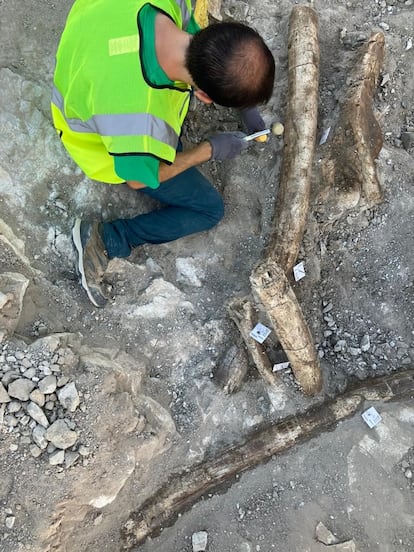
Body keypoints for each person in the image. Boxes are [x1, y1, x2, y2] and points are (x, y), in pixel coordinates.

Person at [51, 0, 275, 307]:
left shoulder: (170, 6)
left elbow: (205, 38)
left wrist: (245, 102)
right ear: (204, 96)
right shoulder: (141, 121)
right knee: (209, 210)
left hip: (86, 47)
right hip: (88, 134)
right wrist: (209, 150)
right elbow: (141, 179)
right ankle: (107, 239)